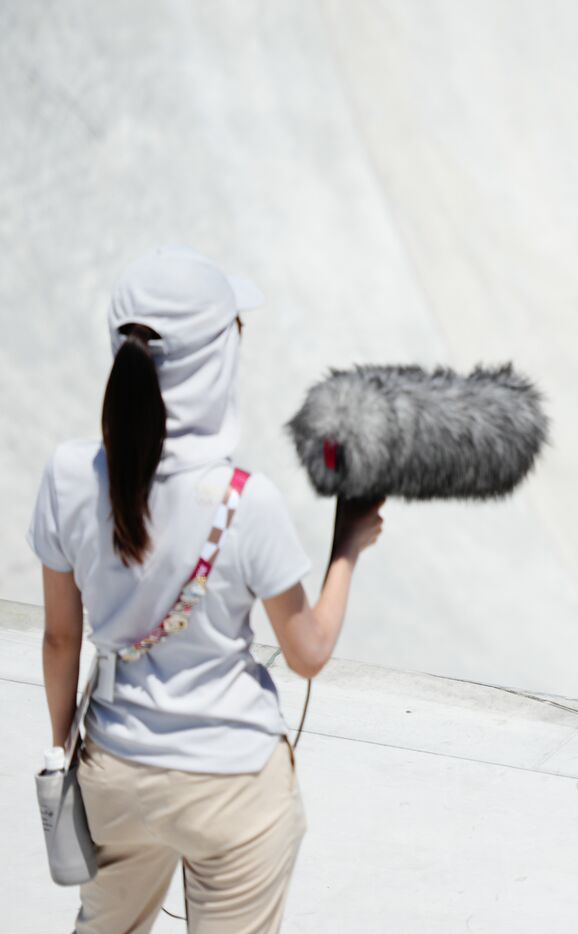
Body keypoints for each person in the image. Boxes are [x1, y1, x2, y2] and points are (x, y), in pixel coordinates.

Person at [28, 246, 385, 932]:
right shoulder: (247, 502)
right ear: (214, 362)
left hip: (114, 772)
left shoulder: (68, 476)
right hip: (233, 788)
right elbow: (308, 652)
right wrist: (346, 548)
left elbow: (59, 639)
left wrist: (63, 750)